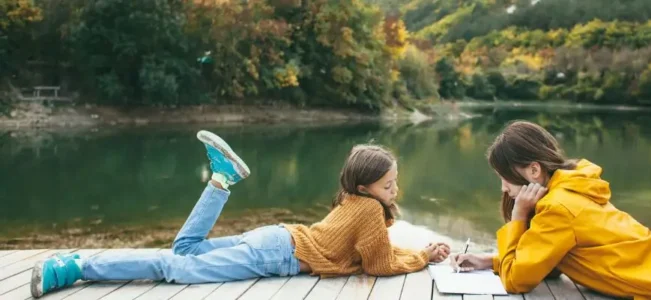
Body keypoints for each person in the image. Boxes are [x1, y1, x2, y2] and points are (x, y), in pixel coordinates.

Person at [31, 130, 450, 298]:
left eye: (394, 182)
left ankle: (221, 179)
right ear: (364, 188)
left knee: (184, 248)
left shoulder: (352, 202)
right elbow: (378, 264)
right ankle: (76, 266)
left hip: (276, 237)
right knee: (172, 266)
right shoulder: (369, 211)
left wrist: (418, 252)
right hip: (276, 254)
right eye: (388, 185)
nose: (395, 190)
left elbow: (372, 250)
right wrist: (421, 258)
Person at [450, 121, 651, 300]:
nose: (504, 188)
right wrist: (491, 260)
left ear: (533, 170)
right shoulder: (571, 187)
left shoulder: (558, 208)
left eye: (504, 177)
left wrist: (519, 217)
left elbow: (516, 281)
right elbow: (548, 259)